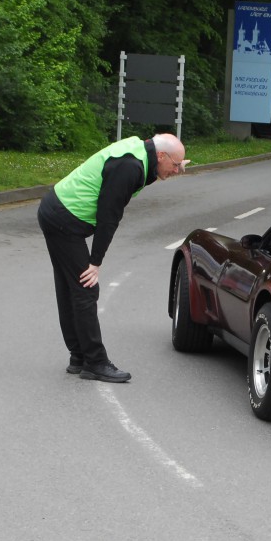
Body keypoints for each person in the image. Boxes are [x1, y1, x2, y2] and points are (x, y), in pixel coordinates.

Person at [38, 133, 187, 383]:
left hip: (57, 210)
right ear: (161, 156)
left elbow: (152, 170)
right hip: (64, 219)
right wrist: (95, 262)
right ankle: (95, 362)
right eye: (175, 165)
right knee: (85, 288)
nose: (177, 171)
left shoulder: (143, 153)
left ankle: (79, 357)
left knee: (71, 287)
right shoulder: (129, 166)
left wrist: (176, 162)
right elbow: (109, 217)